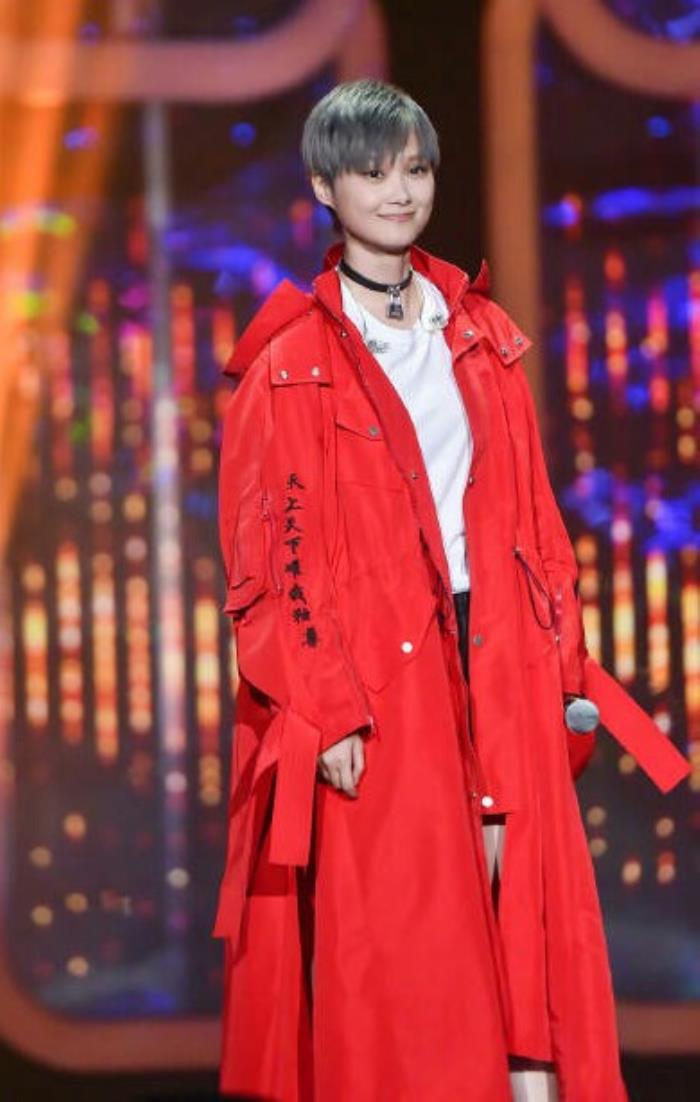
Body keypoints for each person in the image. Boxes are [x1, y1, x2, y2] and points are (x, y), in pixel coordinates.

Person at [213, 78, 682, 1101]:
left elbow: (534, 518)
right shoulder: (289, 361)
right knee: (411, 943)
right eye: (372, 171)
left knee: (525, 923)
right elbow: (272, 565)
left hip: (499, 649)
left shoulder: (479, 332)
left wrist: (561, 661)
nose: (399, 191)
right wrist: (324, 705)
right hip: (381, 676)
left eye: (416, 169)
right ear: (324, 187)